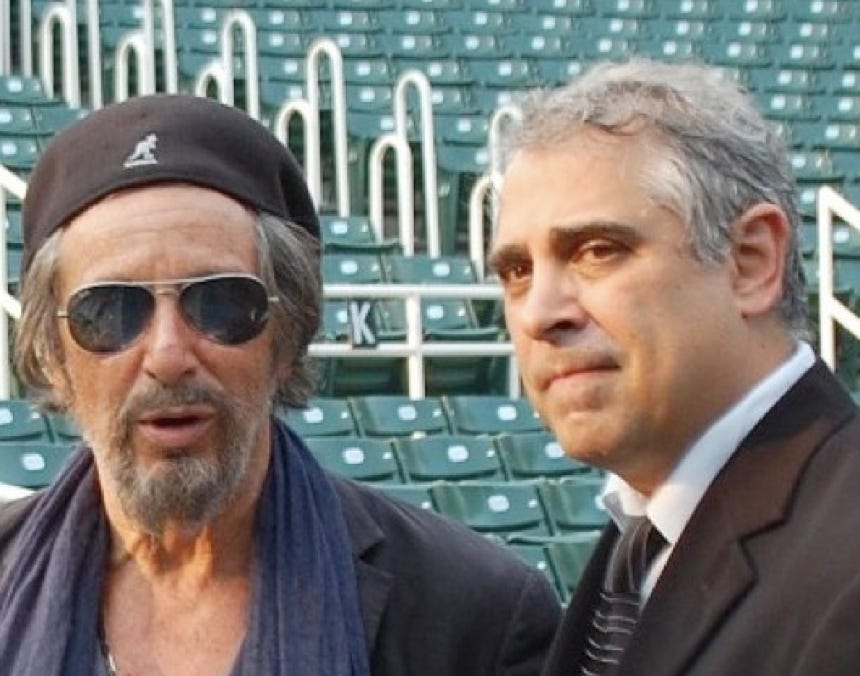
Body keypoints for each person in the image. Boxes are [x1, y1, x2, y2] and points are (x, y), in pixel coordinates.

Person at [0, 94, 561, 675]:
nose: (167, 355)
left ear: (287, 337)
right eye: (110, 311)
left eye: (220, 303)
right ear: (52, 353)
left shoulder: (475, 616)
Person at [489, 58, 860, 675]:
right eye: (517, 271)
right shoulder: (639, 542)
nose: (539, 313)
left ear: (750, 262)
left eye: (596, 251)